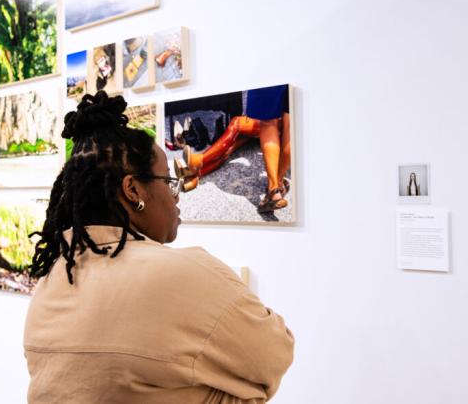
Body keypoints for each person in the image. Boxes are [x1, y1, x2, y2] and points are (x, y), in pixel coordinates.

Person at [24, 91, 294, 403]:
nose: (176, 196)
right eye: (167, 182)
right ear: (133, 189)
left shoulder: (52, 279)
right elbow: (275, 354)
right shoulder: (181, 274)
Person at [176, 85, 291, 214]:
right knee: (288, 127)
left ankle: (200, 161)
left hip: (274, 124)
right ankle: (198, 173)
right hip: (281, 129)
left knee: (241, 123)